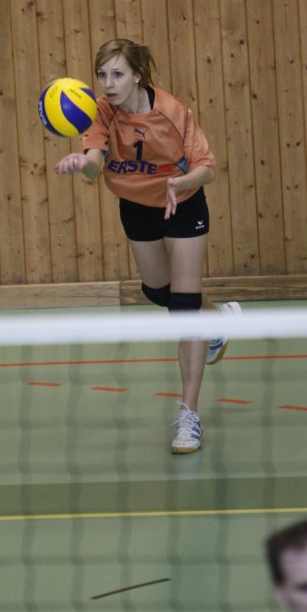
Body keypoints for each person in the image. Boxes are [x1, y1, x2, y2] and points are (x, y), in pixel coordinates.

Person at [54, 38, 240, 454]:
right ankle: (219, 319)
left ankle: (189, 415)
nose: (108, 83)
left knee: (183, 309)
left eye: (117, 74)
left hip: (182, 205)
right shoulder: (100, 111)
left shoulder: (173, 113)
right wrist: (81, 163)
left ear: (137, 75)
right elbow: (95, 163)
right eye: (102, 74)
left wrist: (180, 181)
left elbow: (208, 170)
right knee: (159, 292)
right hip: (136, 208)